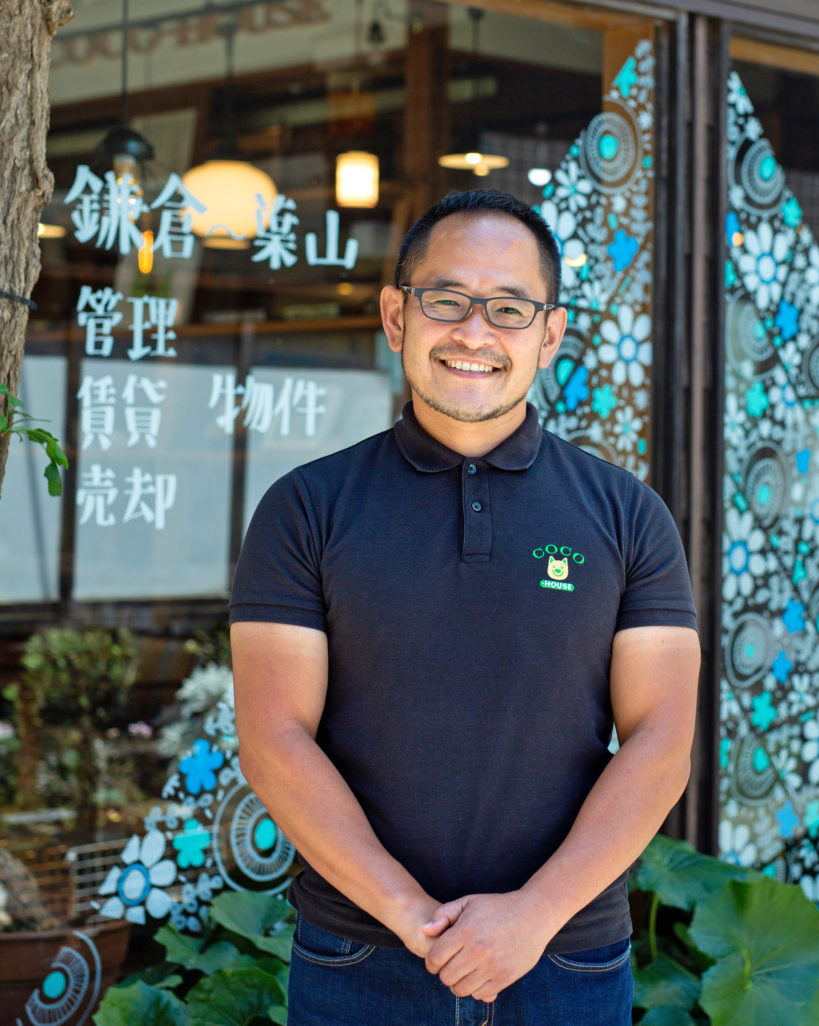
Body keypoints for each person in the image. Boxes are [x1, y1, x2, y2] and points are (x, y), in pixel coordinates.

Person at [229, 189, 700, 1025]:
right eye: (446, 300)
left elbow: (660, 745)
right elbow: (275, 741)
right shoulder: (307, 508)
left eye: (509, 309)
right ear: (396, 315)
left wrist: (531, 916)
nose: (474, 332)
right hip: (360, 958)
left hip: (567, 959)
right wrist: (415, 918)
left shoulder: (628, 514)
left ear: (549, 334)